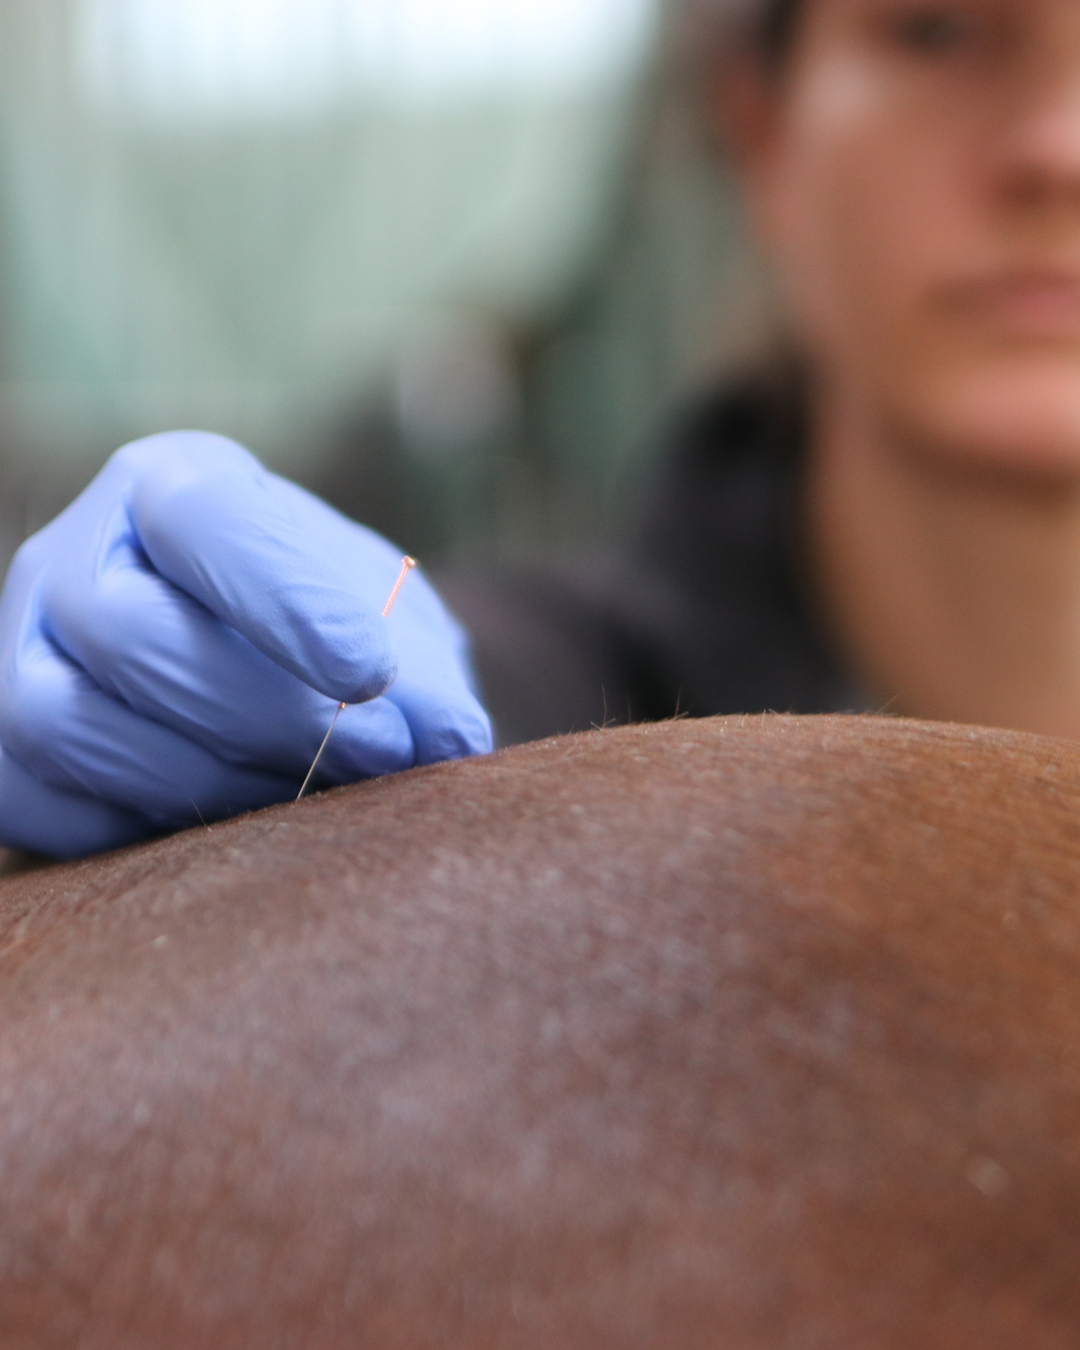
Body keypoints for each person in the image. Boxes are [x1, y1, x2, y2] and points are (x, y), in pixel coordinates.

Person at [4, 0, 1080, 858]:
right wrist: (207, 688)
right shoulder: (533, 708)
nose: (1055, 149)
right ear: (761, 130)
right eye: (939, 30)